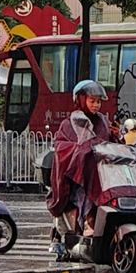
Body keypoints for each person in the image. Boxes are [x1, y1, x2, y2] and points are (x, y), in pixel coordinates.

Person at [47, 80, 117, 247]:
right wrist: (82, 151)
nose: (96, 105)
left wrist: (116, 138)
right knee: (88, 191)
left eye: (98, 101)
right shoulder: (69, 123)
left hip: (103, 174)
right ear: (80, 99)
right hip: (79, 177)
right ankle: (87, 221)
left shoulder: (103, 122)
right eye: (92, 101)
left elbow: (110, 144)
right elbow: (63, 148)